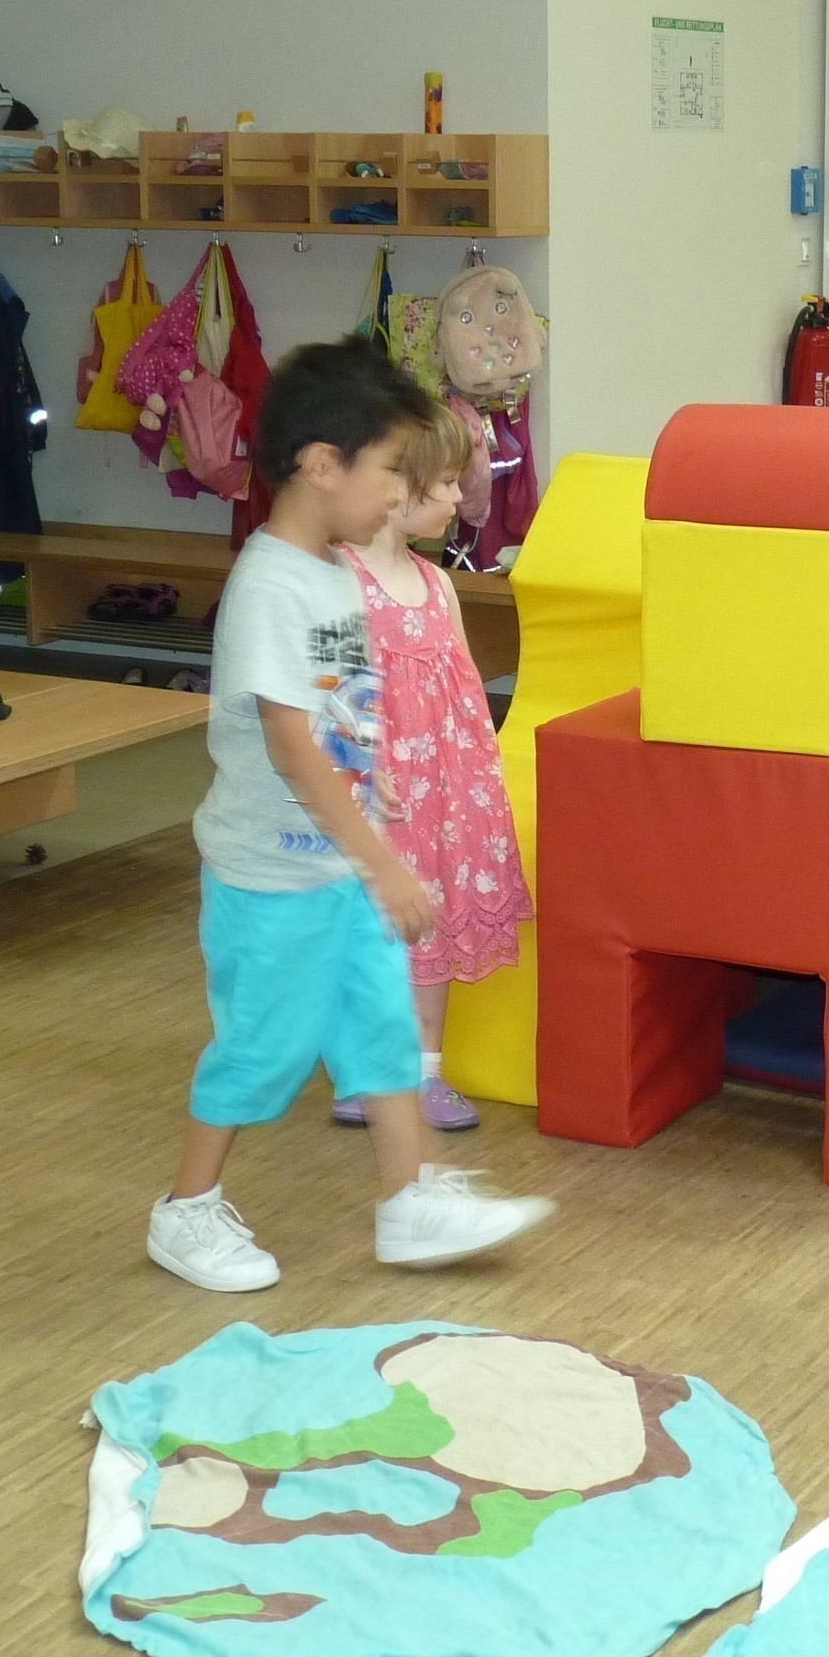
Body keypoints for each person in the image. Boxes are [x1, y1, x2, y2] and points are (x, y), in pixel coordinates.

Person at [147, 335, 553, 1294]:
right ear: (323, 466)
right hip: (272, 876)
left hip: (335, 862)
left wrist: (376, 789)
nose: (398, 495)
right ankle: (186, 1211)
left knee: (381, 1030)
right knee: (264, 1050)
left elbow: (336, 720)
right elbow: (291, 745)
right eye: (390, 472)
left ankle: (411, 1200)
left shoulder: (333, 575)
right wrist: (383, 858)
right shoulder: (269, 585)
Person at [328, 396, 534, 1134]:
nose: (457, 498)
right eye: (445, 483)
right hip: (380, 795)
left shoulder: (438, 584)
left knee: (432, 930)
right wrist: (354, 768)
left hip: (445, 795)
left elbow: (466, 692)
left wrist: (480, 777)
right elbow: (327, 689)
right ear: (396, 486)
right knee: (371, 931)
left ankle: (425, 1073)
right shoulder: (340, 579)